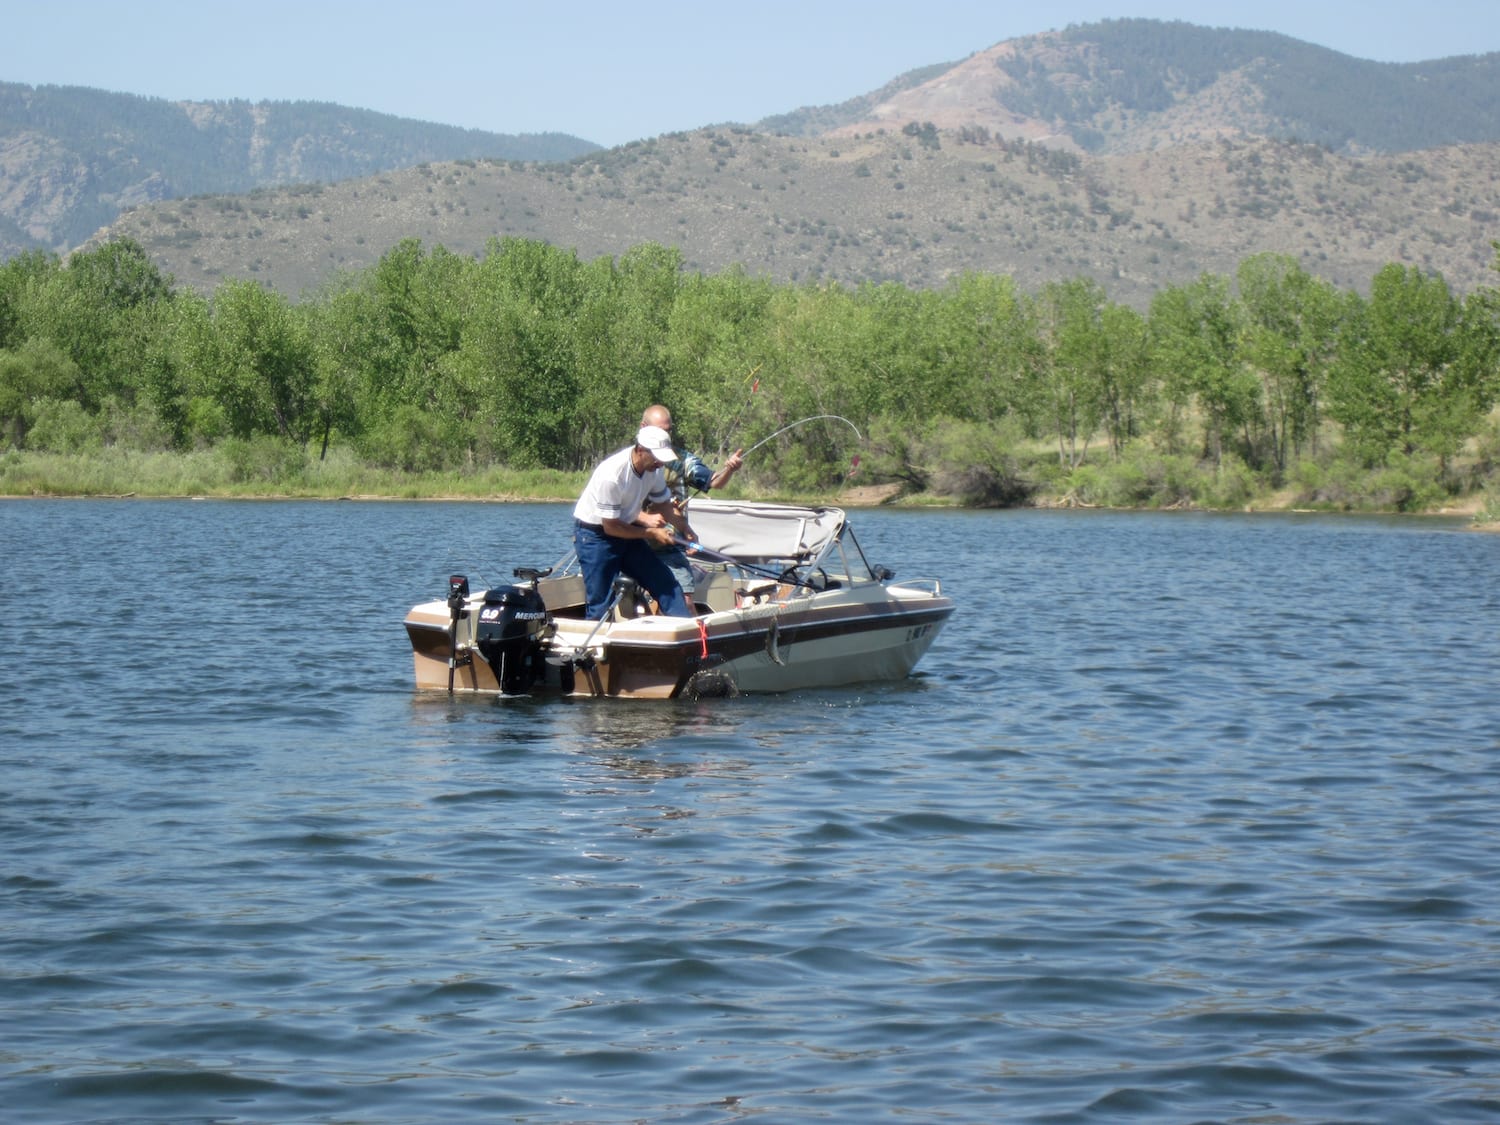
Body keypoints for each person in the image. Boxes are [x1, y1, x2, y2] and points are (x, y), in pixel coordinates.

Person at [572, 425, 697, 620]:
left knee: (665, 581)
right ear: (640, 450)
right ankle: (595, 647)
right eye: (656, 456)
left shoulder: (654, 470)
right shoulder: (612, 475)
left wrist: (686, 529)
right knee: (601, 601)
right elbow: (611, 527)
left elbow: (664, 504)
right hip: (595, 536)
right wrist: (652, 533)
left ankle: (686, 633)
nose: (659, 462)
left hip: (627, 531)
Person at [639, 404, 744, 598]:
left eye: (668, 431)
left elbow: (714, 482)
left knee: (683, 599)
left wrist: (729, 468)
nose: (666, 437)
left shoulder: (681, 459)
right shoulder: (632, 459)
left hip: (669, 545)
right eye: (660, 431)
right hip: (633, 543)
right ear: (643, 427)